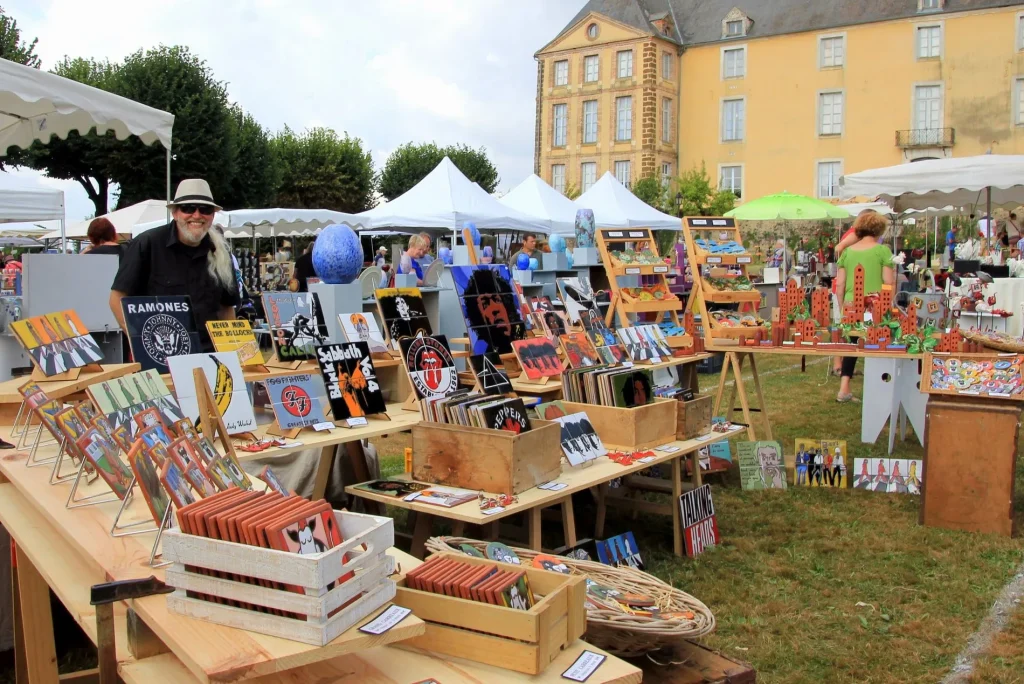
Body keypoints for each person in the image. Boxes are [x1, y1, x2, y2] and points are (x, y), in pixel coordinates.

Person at [109, 179, 240, 351]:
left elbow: (226, 309)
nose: (197, 215)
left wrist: (234, 353)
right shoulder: (147, 244)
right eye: (188, 208)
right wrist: (142, 343)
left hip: (210, 356)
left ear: (212, 215)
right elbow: (117, 299)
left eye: (205, 209)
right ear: (175, 213)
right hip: (163, 357)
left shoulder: (220, 252)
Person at [834, 210, 895, 402]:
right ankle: (880, 389)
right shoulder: (882, 251)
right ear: (879, 230)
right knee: (880, 344)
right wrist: (888, 303)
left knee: (853, 346)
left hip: (852, 304)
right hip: (875, 304)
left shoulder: (847, 253)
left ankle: (844, 388)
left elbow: (840, 285)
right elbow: (888, 281)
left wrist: (842, 305)